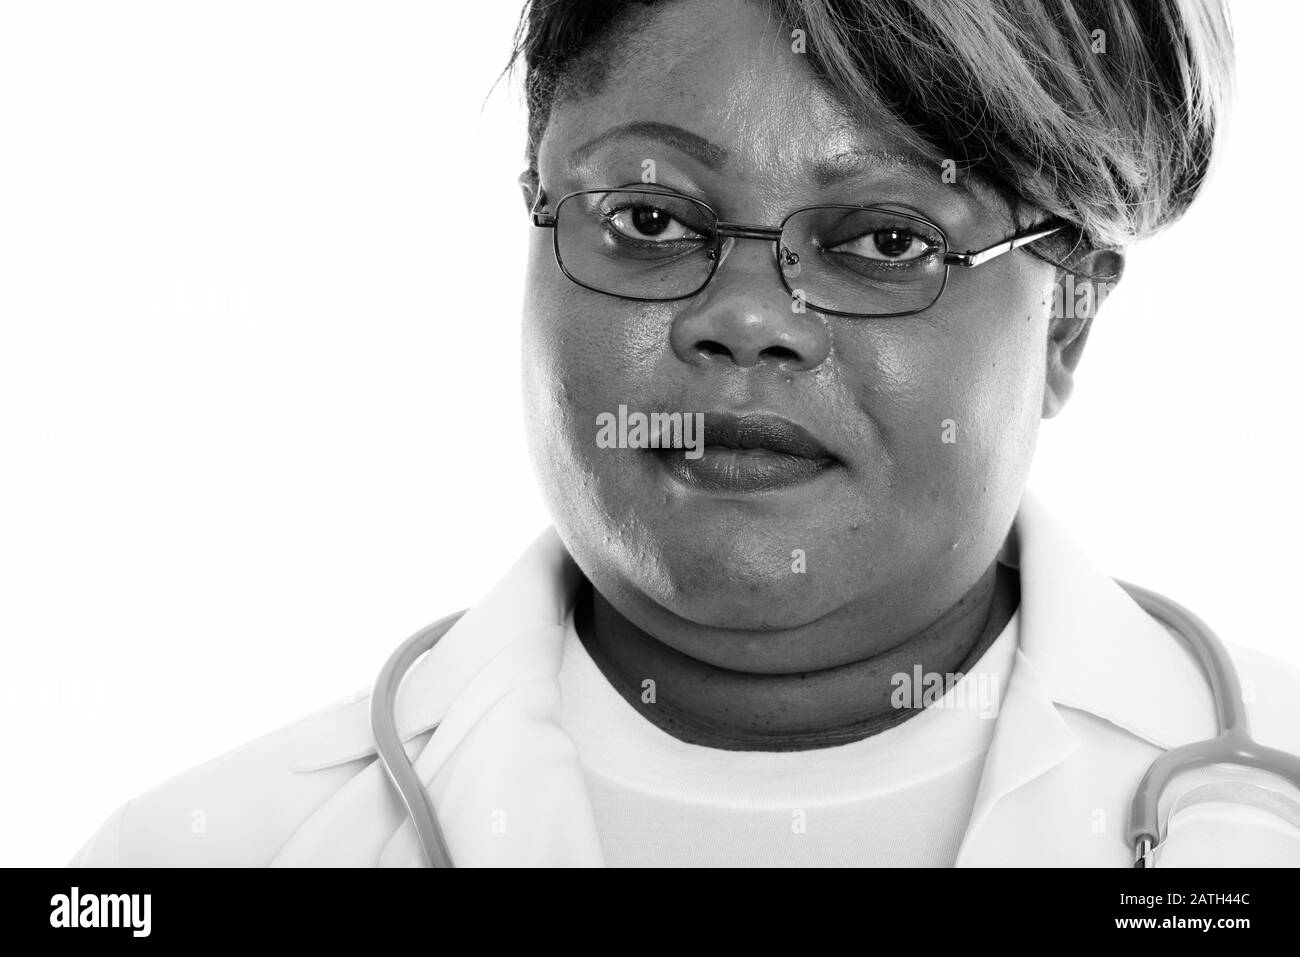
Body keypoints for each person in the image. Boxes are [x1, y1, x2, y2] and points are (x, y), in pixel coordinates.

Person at [70, 0, 1300, 868]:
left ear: (1066, 322)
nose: (747, 320)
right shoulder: (191, 856)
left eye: (886, 240)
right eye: (652, 219)